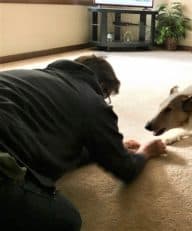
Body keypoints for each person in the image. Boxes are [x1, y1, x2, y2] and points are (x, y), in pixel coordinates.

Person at [0, 55, 166, 231]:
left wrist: (105, 148)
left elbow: (59, 147)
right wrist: (147, 151)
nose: (105, 101)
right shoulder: (93, 102)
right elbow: (126, 169)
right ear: (102, 87)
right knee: (66, 219)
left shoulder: (33, 79)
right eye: (107, 96)